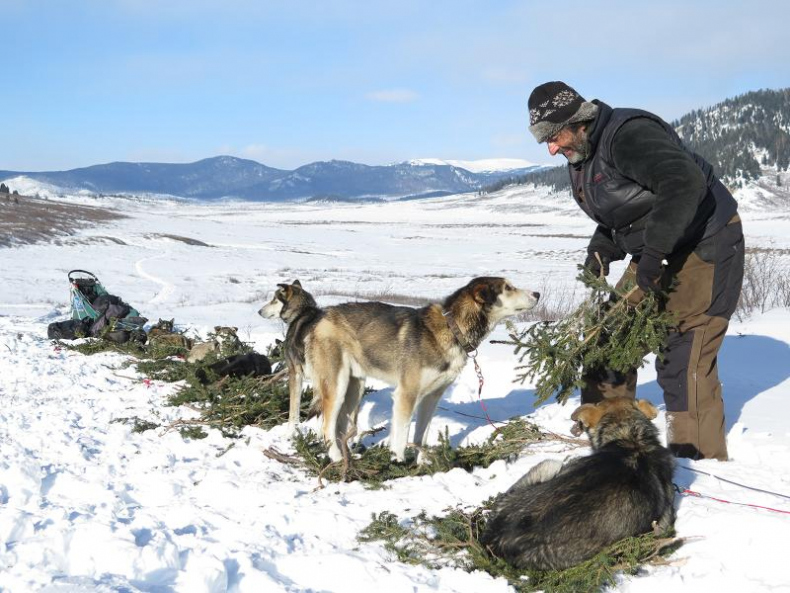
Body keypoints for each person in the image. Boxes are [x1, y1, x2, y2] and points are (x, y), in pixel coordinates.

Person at [527, 81, 745, 460]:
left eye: (554, 136)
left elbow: (682, 182)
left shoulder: (628, 135)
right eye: (544, 140)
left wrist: (654, 255)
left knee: (683, 359)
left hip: (703, 245)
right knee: (606, 339)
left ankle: (696, 466)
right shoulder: (582, 156)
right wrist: (602, 248)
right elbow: (624, 210)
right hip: (656, 251)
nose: (551, 148)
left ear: (578, 122)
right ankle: (612, 451)